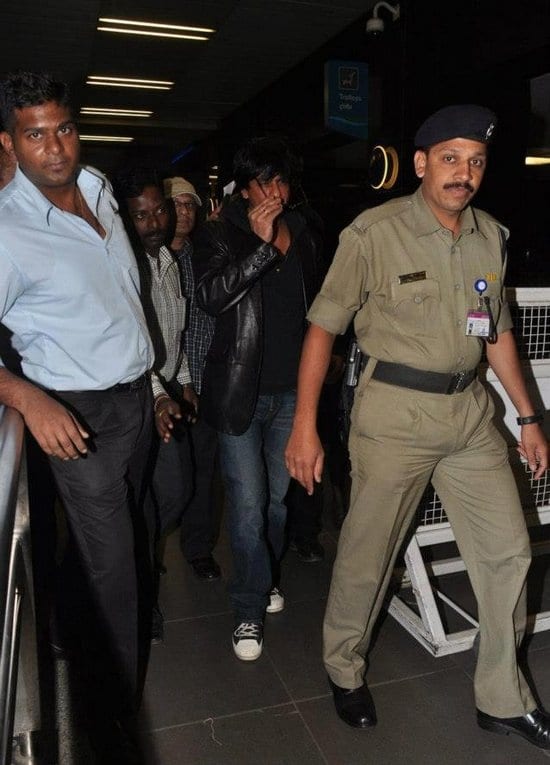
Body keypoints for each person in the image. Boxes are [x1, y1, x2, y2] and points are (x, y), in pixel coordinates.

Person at [285, 104, 550, 751]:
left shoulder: (492, 235)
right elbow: (322, 328)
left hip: (468, 414)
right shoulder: (373, 234)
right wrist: (303, 426)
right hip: (392, 416)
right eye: (452, 158)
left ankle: (501, 696)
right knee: (370, 551)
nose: (465, 173)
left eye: (477, 161)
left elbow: (499, 334)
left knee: (509, 551)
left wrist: (528, 415)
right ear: (423, 162)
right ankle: (344, 667)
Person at [0, 71, 154, 762]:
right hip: (74, 414)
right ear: (11, 142)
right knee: (115, 566)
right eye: (35, 134)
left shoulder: (97, 188)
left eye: (62, 128)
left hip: (135, 398)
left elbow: (121, 296)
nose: (54, 146)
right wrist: (27, 398)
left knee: (147, 514)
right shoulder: (7, 232)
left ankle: (68, 622)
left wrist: (158, 385)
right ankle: (115, 714)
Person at [192, 136, 325, 661]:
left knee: (275, 501)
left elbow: (321, 305)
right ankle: (248, 608)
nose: (274, 191)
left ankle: (262, 574)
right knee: (247, 507)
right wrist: (262, 245)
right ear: (244, 189)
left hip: (295, 393)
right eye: (263, 182)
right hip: (239, 394)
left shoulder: (309, 233)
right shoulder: (220, 234)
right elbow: (209, 298)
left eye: (281, 181)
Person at [115, 167, 200, 646]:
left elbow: (175, 337)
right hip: (132, 399)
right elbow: (131, 346)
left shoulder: (169, 262)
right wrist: (160, 394)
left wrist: (182, 382)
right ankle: (141, 599)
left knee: (176, 493)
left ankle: (133, 558)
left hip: (165, 395)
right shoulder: (125, 268)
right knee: (141, 507)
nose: (153, 222)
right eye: (141, 215)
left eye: (159, 210)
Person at [163, 175, 221, 581]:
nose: (184, 212)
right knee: (167, 478)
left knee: (203, 469)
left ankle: (198, 548)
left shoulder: (203, 254)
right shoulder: (147, 255)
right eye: (177, 204)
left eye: (190, 205)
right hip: (159, 380)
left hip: (204, 379)